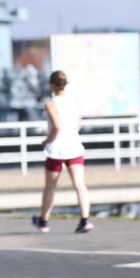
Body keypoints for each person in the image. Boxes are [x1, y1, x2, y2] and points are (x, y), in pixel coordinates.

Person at [33, 70, 93, 233]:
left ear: (52, 85)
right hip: (74, 146)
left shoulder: (51, 103)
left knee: (50, 187)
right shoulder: (74, 101)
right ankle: (85, 219)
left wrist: (46, 141)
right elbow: (78, 126)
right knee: (79, 184)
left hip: (57, 149)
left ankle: (43, 221)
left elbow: (56, 127)